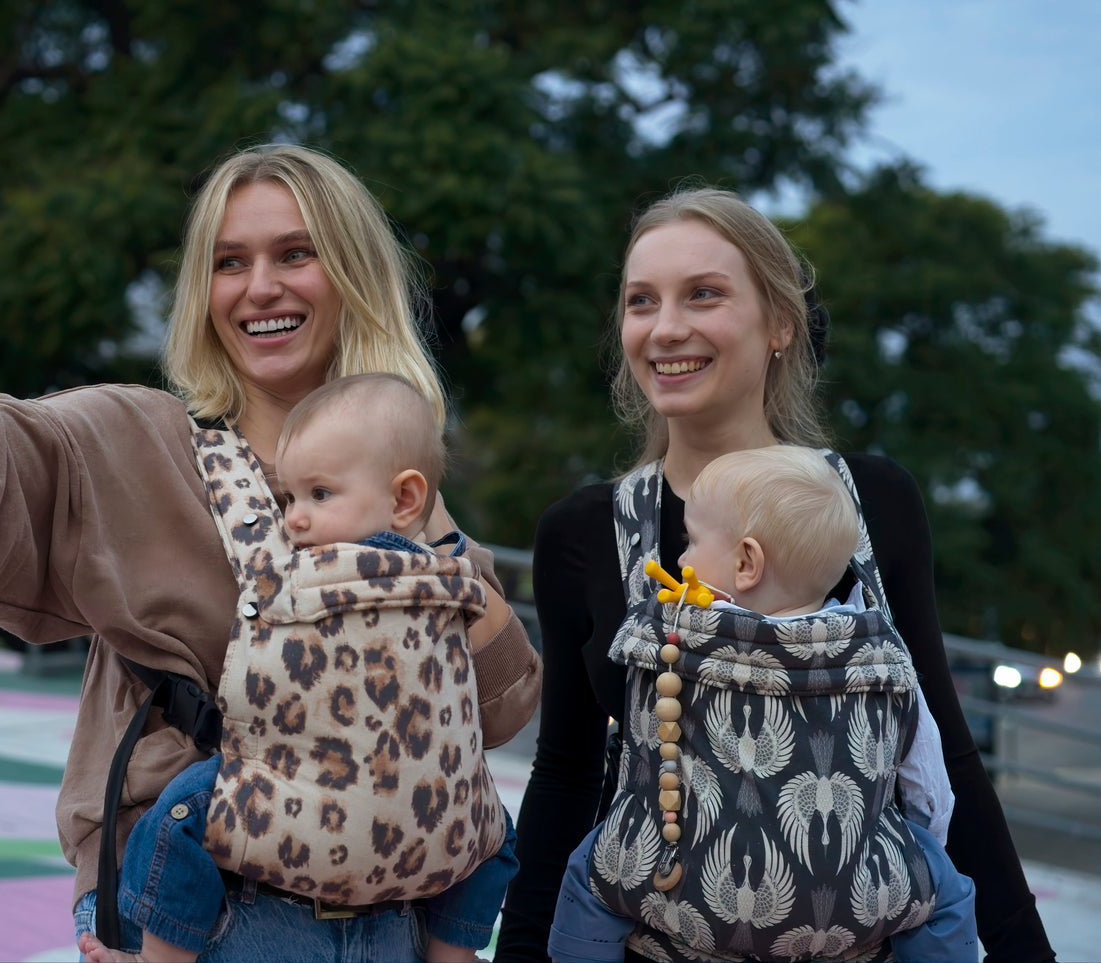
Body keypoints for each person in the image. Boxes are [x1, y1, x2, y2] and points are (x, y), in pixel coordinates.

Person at [0, 143, 542, 963]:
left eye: (293, 254)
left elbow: (495, 716)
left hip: (390, 918)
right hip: (199, 916)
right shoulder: (133, 439)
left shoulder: (404, 491)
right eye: (228, 263)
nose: (258, 286)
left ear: (352, 275)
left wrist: (430, 547)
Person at [495, 185, 1053, 962]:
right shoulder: (581, 531)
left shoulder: (874, 501)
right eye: (640, 301)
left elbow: (947, 758)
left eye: (704, 295)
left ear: (780, 323)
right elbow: (563, 777)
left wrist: (1026, 950)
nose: (665, 328)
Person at [119, 371, 521, 963]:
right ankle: (452, 954)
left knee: (179, 813)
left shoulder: (301, 567)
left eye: (319, 494)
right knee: (497, 836)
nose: (294, 519)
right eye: (288, 498)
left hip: (301, 793)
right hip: (422, 808)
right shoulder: (452, 572)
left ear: (405, 498)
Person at [548, 444, 976, 963]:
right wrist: (903, 843)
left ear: (746, 562)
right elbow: (928, 784)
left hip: (681, 884)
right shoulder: (879, 654)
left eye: (691, 542)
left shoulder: (669, 637)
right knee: (947, 890)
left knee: (588, 869)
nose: (679, 559)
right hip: (855, 902)